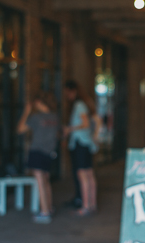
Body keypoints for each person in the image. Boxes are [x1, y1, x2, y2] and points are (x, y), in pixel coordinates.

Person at [17, 91, 59, 224]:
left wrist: (26, 112)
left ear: (38, 102)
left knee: (40, 181)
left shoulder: (36, 117)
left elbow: (20, 129)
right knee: (46, 180)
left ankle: (45, 212)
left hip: (37, 151)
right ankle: (49, 208)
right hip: (49, 151)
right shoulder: (54, 117)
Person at [63, 80, 99, 216]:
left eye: (67, 93)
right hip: (87, 143)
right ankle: (92, 204)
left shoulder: (79, 105)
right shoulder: (85, 103)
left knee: (82, 175)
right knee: (89, 174)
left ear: (72, 91)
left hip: (80, 143)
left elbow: (85, 123)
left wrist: (70, 129)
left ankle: (85, 206)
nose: (67, 96)